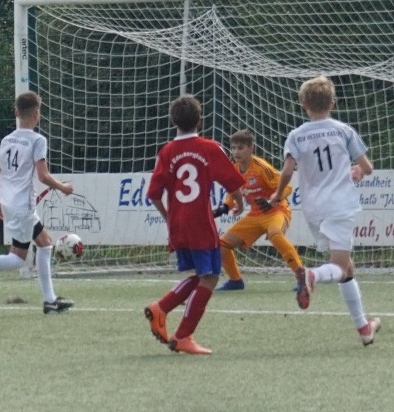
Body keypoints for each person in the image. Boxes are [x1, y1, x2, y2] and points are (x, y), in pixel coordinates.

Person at [268, 75, 380, 346]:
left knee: (347, 268)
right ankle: (312, 275)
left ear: (303, 104)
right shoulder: (343, 130)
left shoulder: (296, 135)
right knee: (339, 266)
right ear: (333, 103)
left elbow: (287, 171)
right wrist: (357, 170)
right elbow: (367, 167)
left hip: (313, 209)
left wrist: (278, 194)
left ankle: (364, 328)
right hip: (339, 206)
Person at [0, 91, 76, 314]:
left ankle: (50, 300)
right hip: (23, 207)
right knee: (18, 258)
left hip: (9, 204)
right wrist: (63, 187)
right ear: (37, 114)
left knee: (45, 243)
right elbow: (43, 176)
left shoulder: (7, 140)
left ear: (16, 113)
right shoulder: (37, 141)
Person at [144, 94, 245, 355]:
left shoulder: (166, 151)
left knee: (202, 275)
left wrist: (169, 217)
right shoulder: (209, 147)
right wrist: (239, 203)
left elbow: (153, 194)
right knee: (211, 276)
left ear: (173, 121)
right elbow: (232, 182)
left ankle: (161, 309)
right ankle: (182, 335)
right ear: (200, 120)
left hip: (178, 224)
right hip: (201, 222)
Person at [212, 129, 303, 291]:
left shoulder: (261, 167)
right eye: (233, 148)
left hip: (276, 211)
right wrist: (224, 207)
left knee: (275, 235)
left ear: (251, 148)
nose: (236, 152)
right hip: (255, 215)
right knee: (222, 245)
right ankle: (235, 281)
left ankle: (302, 277)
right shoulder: (234, 169)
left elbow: (287, 188)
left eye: (241, 148)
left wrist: (272, 200)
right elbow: (233, 194)